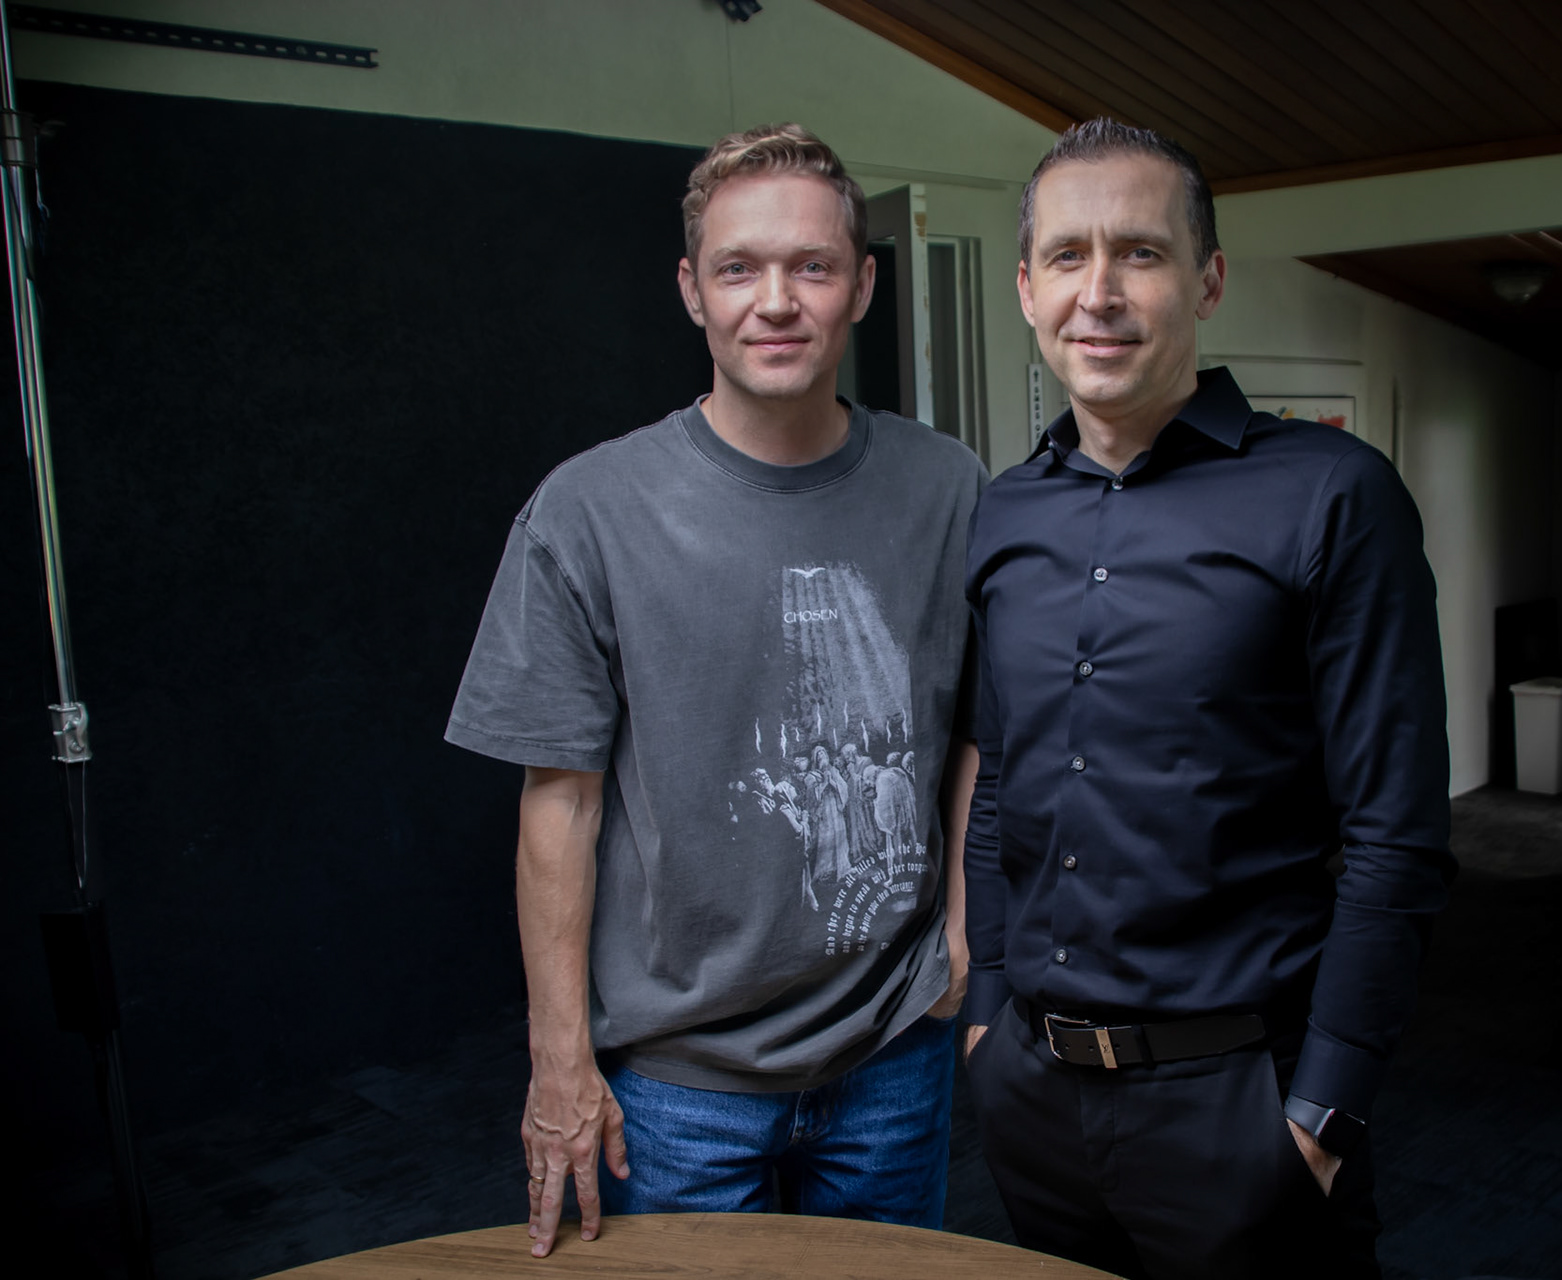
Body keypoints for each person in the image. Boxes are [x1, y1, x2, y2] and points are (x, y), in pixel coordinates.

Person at [447, 123, 985, 1258]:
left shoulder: (949, 489)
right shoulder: (587, 511)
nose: (775, 301)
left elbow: (976, 732)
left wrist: (959, 939)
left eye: (813, 266)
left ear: (862, 286)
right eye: (740, 268)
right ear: (693, 290)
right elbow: (560, 803)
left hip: (893, 1046)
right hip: (678, 1077)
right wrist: (560, 1059)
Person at [960, 119, 1453, 1278]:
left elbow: (1396, 835)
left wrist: (1322, 1110)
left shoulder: (1334, 495)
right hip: (1033, 1092)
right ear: (1027, 288)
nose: (1099, 291)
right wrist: (986, 1013)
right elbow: (1000, 785)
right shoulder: (1003, 512)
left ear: (1208, 280)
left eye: (1140, 252)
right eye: (1068, 255)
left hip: (1240, 1103)